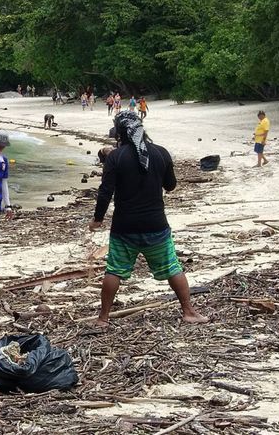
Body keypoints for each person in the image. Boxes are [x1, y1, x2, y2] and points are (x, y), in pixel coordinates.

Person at [89, 112, 208, 326]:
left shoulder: (115, 157)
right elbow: (170, 186)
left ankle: (103, 318)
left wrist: (97, 220)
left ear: (119, 133)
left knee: (114, 270)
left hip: (124, 227)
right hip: (156, 225)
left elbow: (105, 192)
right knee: (173, 267)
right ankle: (189, 311)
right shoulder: (160, 153)